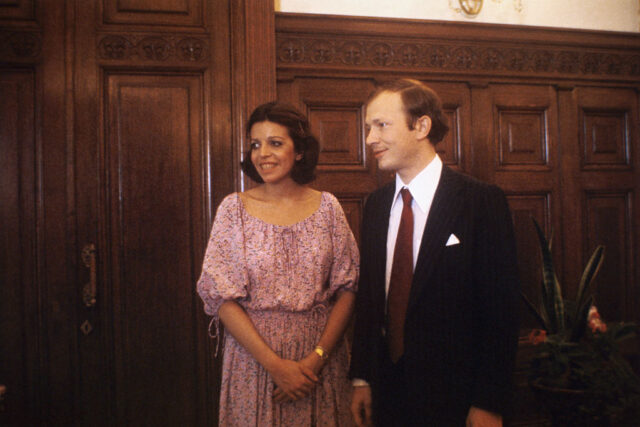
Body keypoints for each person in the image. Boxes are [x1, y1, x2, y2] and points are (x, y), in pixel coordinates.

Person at [349, 79, 520, 426]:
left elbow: (501, 311)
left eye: (381, 125)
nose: (369, 139)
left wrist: (489, 402)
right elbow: (370, 297)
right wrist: (362, 377)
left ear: (421, 126)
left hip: (456, 400)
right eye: (369, 128)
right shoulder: (376, 206)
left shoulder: (480, 202)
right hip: (389, 394)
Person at [197, 101, 359, 426]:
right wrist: (274, 366)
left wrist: (315, 361)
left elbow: (348, 289)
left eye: (275, 142)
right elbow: (221, 298)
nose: (262, 154)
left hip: (318, 362)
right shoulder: (234, 210)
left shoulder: (328, 208)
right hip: (253, 360)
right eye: (256, 144)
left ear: (299, 151)